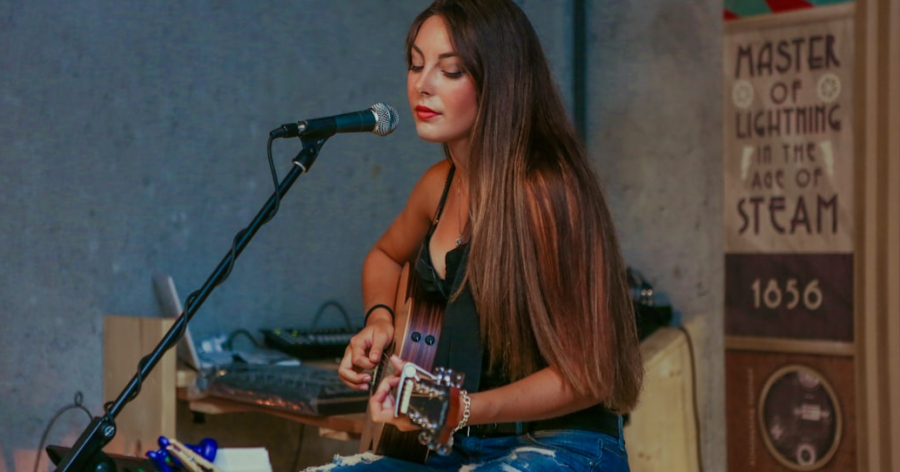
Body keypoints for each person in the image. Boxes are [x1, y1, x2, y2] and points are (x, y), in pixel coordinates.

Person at [306, 0, 643, 470]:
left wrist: (459, 408)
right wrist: (379, 320)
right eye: (416, 65)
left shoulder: (546, 191)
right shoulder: (438, 185)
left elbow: (590, 375)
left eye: (451, 70)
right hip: (457, 446)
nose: (422, 85)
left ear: (499, 81)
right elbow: (384, 256)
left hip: (562, 444)